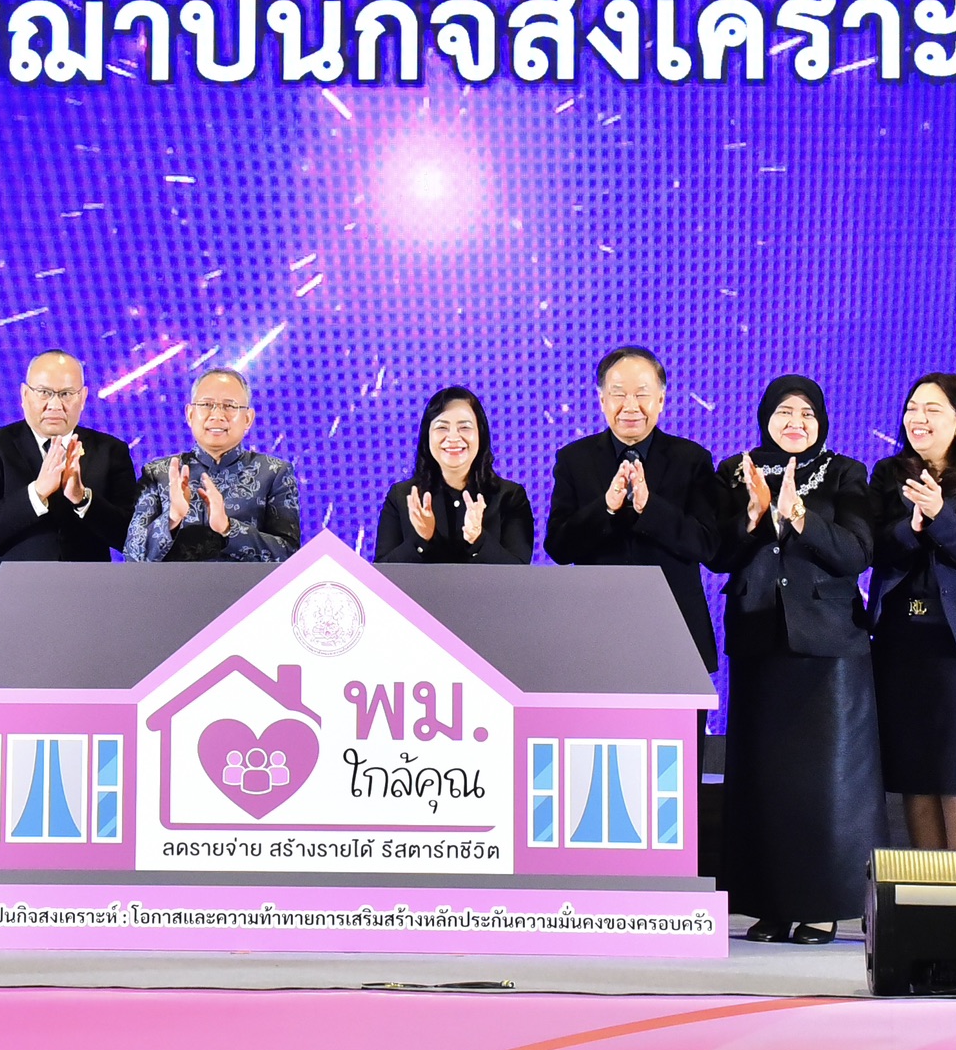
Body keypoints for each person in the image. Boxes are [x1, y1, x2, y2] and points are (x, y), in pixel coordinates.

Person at [710, 375, 880, 942]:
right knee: (764, 779)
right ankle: (770, 903)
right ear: (766, 418)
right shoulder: (736, 471)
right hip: (760, 637)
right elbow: (718, 554)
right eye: (784, 412)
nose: (795, 423)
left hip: (829, 644)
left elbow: (857, 552)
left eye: (807, 414)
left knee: (825, 781)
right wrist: (753, 516)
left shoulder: (846, 472)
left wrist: (802, 518)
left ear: (822, 422)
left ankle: (821, 904)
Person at [868, 373, 956, 852]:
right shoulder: (888, 475)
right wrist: (911, 526)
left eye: (932, 410)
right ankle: (928, 887)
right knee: (917, 774)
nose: (918, 418)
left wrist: (941, 516)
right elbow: (872, 548)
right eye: (913, 408)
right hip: (902, 640)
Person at [545, 346, 723, 674]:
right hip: (596, 633)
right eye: (618, 394)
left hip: (675, 632)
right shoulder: (574, 459)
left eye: (641, 394)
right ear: (602, 400)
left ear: (661, 400)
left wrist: (650, 509)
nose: (630, 406)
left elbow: (708, 545)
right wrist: (606, 507)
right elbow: (558, 547)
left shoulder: (692, 459)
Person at [0, 350, 139, 575]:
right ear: (25, 394)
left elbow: (131, 539)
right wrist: (36, 493)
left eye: (66, 394)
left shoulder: (111, 450)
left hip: (88, 589)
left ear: (83, 397)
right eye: (44, 393)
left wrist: (83, 499)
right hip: (15, 590)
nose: (55, 405)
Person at [125, 368, 301, 562]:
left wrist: (228, 528)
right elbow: (132, 556)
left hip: (251, 583)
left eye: (230, 406)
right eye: (207, 404)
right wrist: (172, 518)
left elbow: (290, 557)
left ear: (248, 419)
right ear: (190, 414)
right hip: (173, 583)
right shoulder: (158, 473)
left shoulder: (274, 473)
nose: (217, 415)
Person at [373, 385, 534, 563]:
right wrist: (421, 539)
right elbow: (380, 572)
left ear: (480, 434)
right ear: (427, 436)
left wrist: (478, 539)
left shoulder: (510, 496)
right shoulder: (402, 497)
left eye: (464, 427)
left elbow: (519, 571)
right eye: (442, 427)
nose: (453, 437)